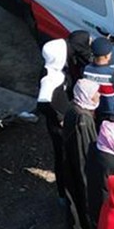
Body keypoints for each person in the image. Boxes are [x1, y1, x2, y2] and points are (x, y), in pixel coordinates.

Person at [62, 78, 101, 229]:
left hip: (72, 163)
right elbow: (83, 153)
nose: (98, 95)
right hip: (82, 168)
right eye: (95, 93)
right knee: (85, 197)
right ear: (86, 95)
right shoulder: (82, 120)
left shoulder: (74, 107)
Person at [36, 39, 70, 203]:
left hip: (63, 121)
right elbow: (42, 104)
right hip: (59, 128)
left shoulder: (55, 71)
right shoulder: (48, 80)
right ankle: (63, 193)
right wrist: (59, 119)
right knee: (62, 158)